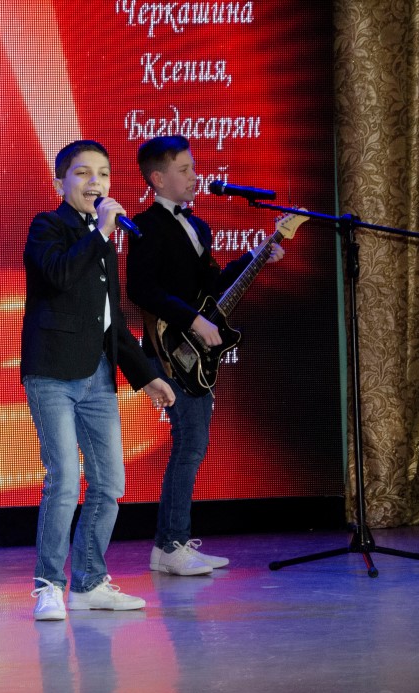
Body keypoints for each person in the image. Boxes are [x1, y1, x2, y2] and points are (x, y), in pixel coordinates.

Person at [21, 139, 176, 621]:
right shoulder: (48, 227)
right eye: (83, 173)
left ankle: (89, 582)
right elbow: (58, 275)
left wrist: (146, 376)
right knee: (65, 481)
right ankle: (49, 585)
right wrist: (102, 232)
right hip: (52, 373)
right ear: (59, 183)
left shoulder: (102, 241)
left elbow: (111, 321)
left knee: (109, 483)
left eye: (104, 173)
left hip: (98, 376)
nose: (96, 182)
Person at [125, 134, 283, 576]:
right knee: (190, 443)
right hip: (168, 351)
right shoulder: (145, 225)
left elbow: (213, 289)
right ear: (158, 179)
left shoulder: (199, 227)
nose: (195, 176)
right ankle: (170, 546)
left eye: (193, 168)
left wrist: (256, 256)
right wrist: (193, 321)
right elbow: (142, 289)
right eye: (185, 170)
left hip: (193, 353)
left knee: (192, 444)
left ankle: (170, 545)